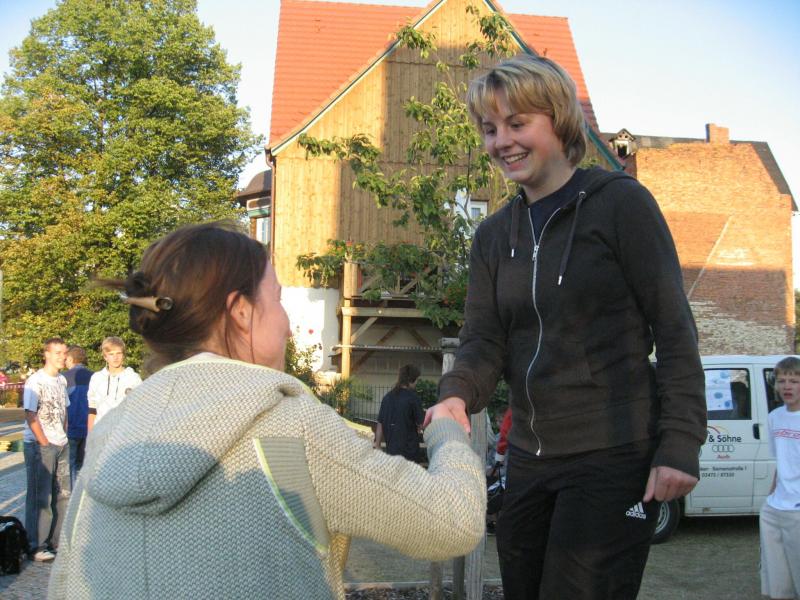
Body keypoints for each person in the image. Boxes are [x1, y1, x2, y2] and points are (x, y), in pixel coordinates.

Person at [48, 222, 485, 599]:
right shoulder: (291, 429)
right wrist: (446, 430)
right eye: (277, 300)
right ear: (241, 311)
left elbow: (64, 582)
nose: (288, 326)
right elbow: (453, 521)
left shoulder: (109, 436)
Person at [431, 54, 707, 599]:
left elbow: (674, 328)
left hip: (613, 452)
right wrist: (456, 394)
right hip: (530, 457)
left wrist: (680, 442)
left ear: (557, 120)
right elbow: (484, 339)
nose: (501, 142)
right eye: (490, 129)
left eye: (516, 123)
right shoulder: (493, 236)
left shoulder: (620, 205)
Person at [23, 337, 71, 562]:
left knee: (62, 495)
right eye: (58, 353)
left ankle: (56, 541)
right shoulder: (35, 381)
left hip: (61, 443)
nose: (62, 357)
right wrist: (44, 442)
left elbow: (64, 411)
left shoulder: (62, 380)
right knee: (41, 497)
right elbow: (30, 415)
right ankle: (36, 545)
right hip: (40, 445)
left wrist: (63, 436)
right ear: (47, 354)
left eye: (64, 352)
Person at [759, 356, 800, 600]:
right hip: (774, 508)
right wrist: (771, 496)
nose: (787, 386)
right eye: (782, 381)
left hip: (797, 510)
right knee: (777, 579)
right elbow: (781, 461)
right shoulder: (775, 416)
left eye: (794, 381)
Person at [86, 336, 141, 431]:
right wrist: (90, 435)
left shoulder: (133, 378)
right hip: (100, 431)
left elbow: (139, 410)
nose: (115, 357)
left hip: (124, 432)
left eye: (119, 353)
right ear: (105, 357)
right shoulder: (96, 378)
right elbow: (92, 410)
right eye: (111, 354)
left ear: (123, 355)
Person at [374, 364, 424, 461]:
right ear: (411, 380)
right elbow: (421, 425)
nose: (416, 383)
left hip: (392, 452)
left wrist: (378, 445)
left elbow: (380, 423)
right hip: (410, 453)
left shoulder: (387, 398)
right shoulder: (413, 398)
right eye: (416, 380)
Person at [63, 346, 92, 487]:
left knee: (71, 465)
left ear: (70, 359)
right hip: (90, 428)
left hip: (71, 428)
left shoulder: (64, 378)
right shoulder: (95, 377)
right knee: (86, 464)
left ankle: (73, 495)